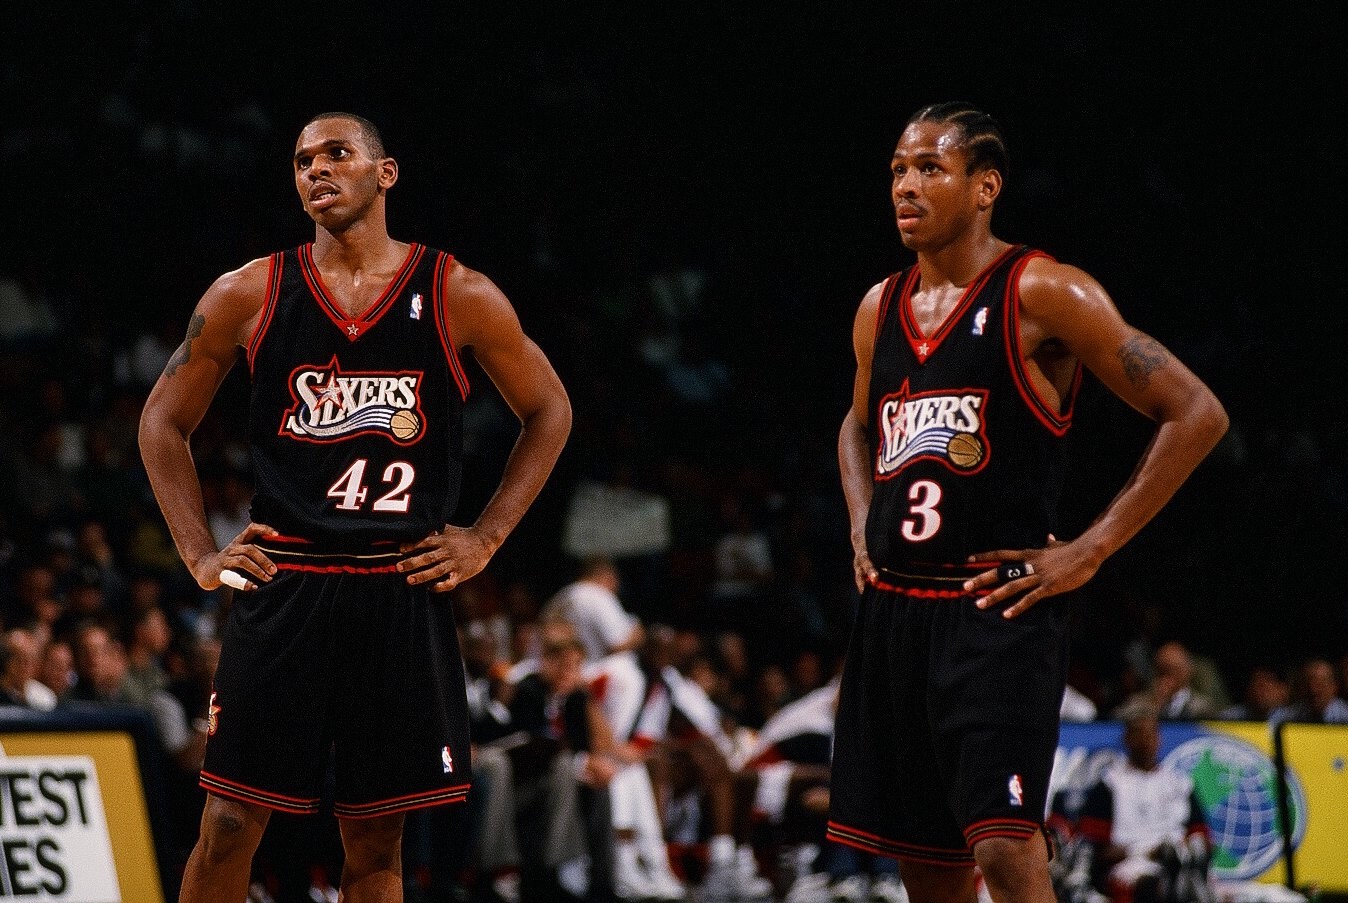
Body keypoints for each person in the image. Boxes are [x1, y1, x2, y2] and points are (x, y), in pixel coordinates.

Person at [138, 111, 572, 903]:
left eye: (337, 153)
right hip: (288, 581)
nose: (316, 170)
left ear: (386, 172)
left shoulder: (456, 292)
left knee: (376, 838)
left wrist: (485, 536)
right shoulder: (251, 289)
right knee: (229, 823)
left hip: (397, 587)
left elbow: (550, 410)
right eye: (303, 160)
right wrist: (200, 553)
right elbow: (162, 420)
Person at [830, 101, 1228, 903]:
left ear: (986, 187)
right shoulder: (880, 306)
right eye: (899, 171)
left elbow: (1196, 412)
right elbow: (855, 423)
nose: (906, 186)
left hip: (995, 608)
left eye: (930, 169)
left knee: (1007, 850)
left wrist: (1090, 546)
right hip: (897, 614)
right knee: (929, 870)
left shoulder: (1044, 290)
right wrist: (859, 522)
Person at [1076, 704, 1213, 903]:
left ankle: (1186, 883)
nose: (1147, 741)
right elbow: (1095, 851)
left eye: (1152, 734)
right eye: (1140, 734)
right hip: (1131, 864)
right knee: (1155, 886)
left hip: (1178, 860)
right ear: (1127, 739)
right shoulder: (1109, 784)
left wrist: (1188, 849)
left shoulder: (1180, 783)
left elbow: (1201, 836)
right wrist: (1145, 850)